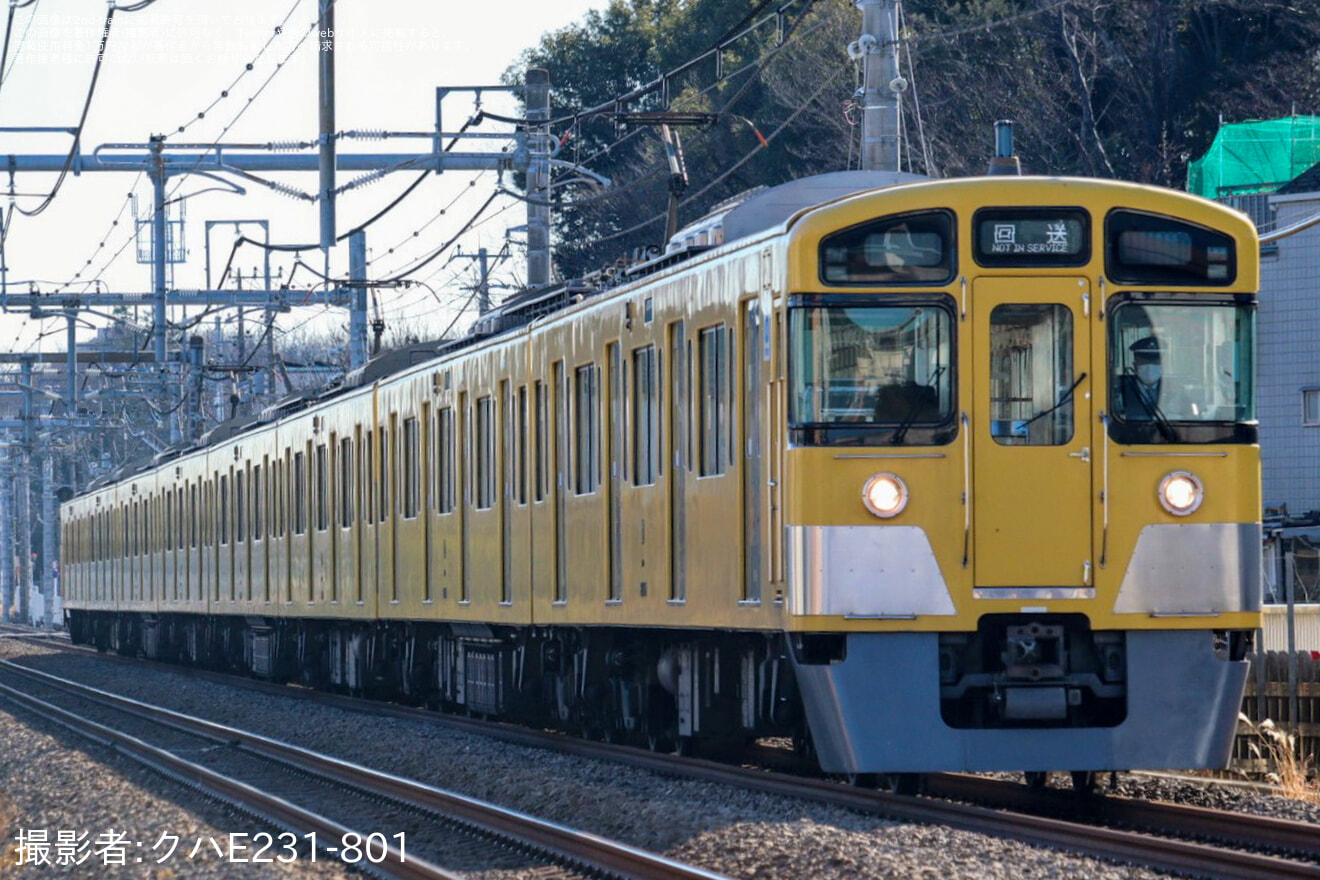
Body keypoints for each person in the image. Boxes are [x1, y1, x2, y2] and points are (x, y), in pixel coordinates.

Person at [1118, 336, 1199, 421]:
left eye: (1155, 362)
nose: (1150, 366)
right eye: (1144, 362)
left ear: (1162, 366)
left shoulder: (1176, 391)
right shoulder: (1121, 391)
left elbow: (1191, 419)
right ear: (1135, 365)